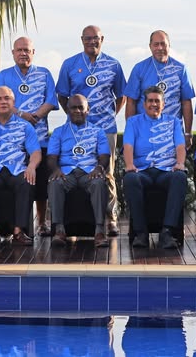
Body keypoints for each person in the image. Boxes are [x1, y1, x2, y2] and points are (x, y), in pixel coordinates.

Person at [56, 25, 127, 236]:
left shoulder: (114, 65)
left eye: (95, 38)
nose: (91, 42)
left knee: (107, 173)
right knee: (74, 170)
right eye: (87, 38)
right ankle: (72, 222)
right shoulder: (70, 64)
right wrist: (75, 116)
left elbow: (122, 96)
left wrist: (110, 115)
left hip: (105, 128)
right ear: (82, 40)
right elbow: (62, 95)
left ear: (102, 39)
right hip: (77, 129)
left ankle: (111, 219)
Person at [0, 36, 57, 236]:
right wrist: (22, 115)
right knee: (17, 182)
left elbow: (51, 100)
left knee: (40, 183)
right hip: (12, 142)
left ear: (33, 52)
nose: (23, 53)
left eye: (27, 50)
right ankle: (18, 224)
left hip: (40, 138)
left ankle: (42, 222)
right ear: (13, 53)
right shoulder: (3, 76)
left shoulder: (44, 73)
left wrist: (35, 116)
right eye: (19, 50)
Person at [0, 86, 42, 246]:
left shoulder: (26, 126)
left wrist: (31, 166)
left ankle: (19, 231)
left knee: (27, 180)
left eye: (7, 98)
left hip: (17, 170)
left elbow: (36, 152)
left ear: (13, 102)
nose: (3, 102)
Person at [122, 86, 187, 249]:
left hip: (166, 171)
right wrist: (129, 165)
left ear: (163, 104)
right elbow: (128, 146)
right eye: (150, 101)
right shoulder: (133, 122)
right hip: (142, 171)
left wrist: (180, 163)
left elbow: (180, 146)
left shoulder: (174, 122)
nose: (153, 104)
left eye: (157, 101)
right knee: (130, 178)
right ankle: (141, 233)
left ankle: (167, 232)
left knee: (180, 177)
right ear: (144, 104)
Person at [47, 94, 111, 248]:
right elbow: (51, 156)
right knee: (55, 183)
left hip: (89, 173)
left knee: (99, 183)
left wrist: (99, 168)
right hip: (66, 173)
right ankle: (59, 230)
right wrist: (55, 169)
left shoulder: (98, 131)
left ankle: (99, 231)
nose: (77, 111)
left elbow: (104, 155)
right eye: (73, 108)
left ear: (87, 110)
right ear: (67, 110)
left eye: (81, 107)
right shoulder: (59, 132)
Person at [123, 30, 195, 143]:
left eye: (163, 44)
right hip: (144, 132)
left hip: (172, 132)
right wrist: (130, 133)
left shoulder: (181, 69)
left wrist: (188, 133)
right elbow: (131, 102)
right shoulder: (139, 68)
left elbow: (186, 102)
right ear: (150, 46)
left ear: (169, 45)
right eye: (156, 44)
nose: (160, 48)